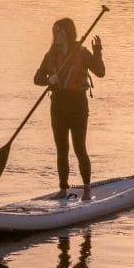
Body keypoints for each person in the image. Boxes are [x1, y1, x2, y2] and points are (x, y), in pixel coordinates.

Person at [33, 18, 104, 200]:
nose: (56, 35)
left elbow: (100, 72)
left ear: (68, 33)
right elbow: (37, 78)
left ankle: (87, 190)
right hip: (58, 107)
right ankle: (63, 189)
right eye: (54, 31)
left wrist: (97, 51)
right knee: (61, 149)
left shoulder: (81, 52)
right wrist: (49, 80)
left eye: (59, 32)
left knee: (80, 148)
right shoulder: (50, 56)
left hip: (78, 107)